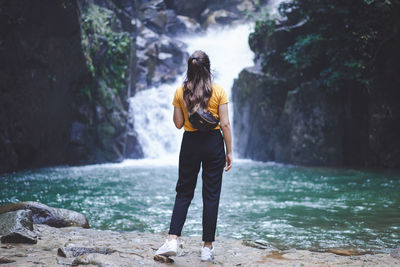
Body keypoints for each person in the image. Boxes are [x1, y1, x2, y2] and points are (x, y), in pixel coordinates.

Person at [155, 50, 233, 262]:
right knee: (211, 195)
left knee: (183, 192)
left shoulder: (181, 92)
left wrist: (181, 104)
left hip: (190, 143)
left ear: (189, 69)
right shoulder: (219, 91)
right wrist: (230, 152)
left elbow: (179, 124)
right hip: (213, 143)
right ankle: (207, 248)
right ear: (208, 68)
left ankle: (172, 240)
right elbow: (225, 124)